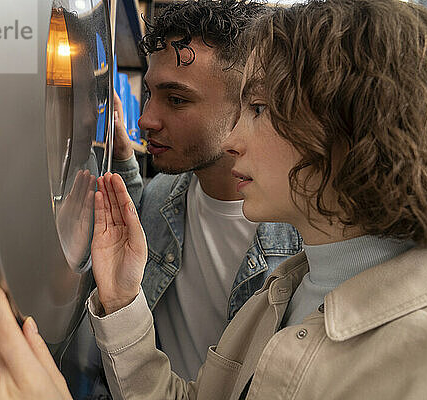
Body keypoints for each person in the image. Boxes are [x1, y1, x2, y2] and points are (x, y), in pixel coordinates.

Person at [0, 0, 427, 399]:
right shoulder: (280, 299)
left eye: (257, 108)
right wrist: (121, 301)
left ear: (351, 131)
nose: (236, 139)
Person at [105, 0, 300, 382]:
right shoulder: (163, 195)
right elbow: (137, 219)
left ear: (250, 105)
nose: (145, 119)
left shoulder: (305, 238)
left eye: (176, 100)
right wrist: (124, 163)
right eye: (150, 93)